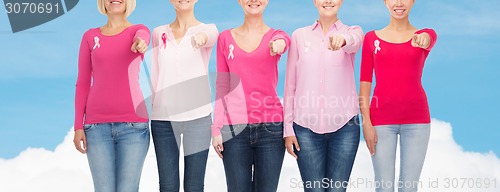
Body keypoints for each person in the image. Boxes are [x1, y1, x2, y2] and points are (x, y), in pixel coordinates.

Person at [283, 0, 363, 191]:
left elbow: (355, 42)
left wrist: (342, 40)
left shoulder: (353, 31)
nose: (328, 1)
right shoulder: (299, 36)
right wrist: (288, 129)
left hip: (345, 128)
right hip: (305, 129)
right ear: (315, 2)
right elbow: (290, 84)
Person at [211, 0, 290, 191]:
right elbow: (222, 84)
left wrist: (280, 44)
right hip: (234, 131)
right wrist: (216, 128)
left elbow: (284, 40)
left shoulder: (276, 37)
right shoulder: (225, 38)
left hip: (271, 130)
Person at [359, 0, 437, 191]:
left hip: (417, 121)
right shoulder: (371, 39)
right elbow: (364, 87)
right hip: (381, 122)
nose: (399, 3)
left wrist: (424, 39)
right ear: (385, 2)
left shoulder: (423, 36)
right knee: (384, 187)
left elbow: (429, 38)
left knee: (409, 187)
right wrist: (366, 123)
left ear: (413, 1)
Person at [72, 0, 150, 191]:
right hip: (96, 128)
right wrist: (78, 126)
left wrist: (140, 43)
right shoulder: (90, 37)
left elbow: (143, 37)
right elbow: (82, 83)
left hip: (134, 127)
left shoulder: (138, 31)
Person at [149, 0, 218, 191]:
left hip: (199, 119)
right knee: (168, 186)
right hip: (163, 120)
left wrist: (201, 38)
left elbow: (210, 37)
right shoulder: (158, 33)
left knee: (194, 186)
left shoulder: (208, 29)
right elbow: (155, 72)